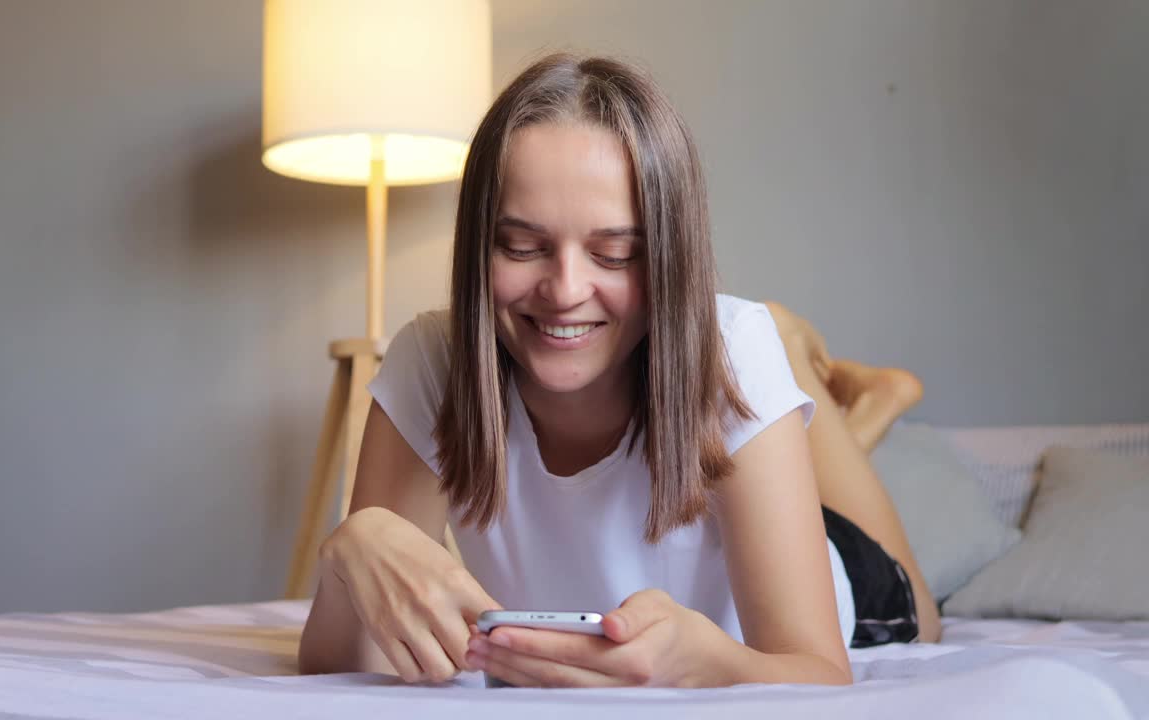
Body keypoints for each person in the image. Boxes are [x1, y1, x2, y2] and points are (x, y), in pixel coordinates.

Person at [296, 52, 939, 688]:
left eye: (614, 254)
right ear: (477, 247)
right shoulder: (433, 359)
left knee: (923, 609)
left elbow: (821, 674)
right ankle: (799, 396)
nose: (565, 290)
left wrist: (704, 661)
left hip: (845, 573)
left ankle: (830, 385)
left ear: (668, 258)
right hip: (737, 479)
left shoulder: (732, 352)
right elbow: (350, 664)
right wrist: (352, 546)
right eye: (523, 247)